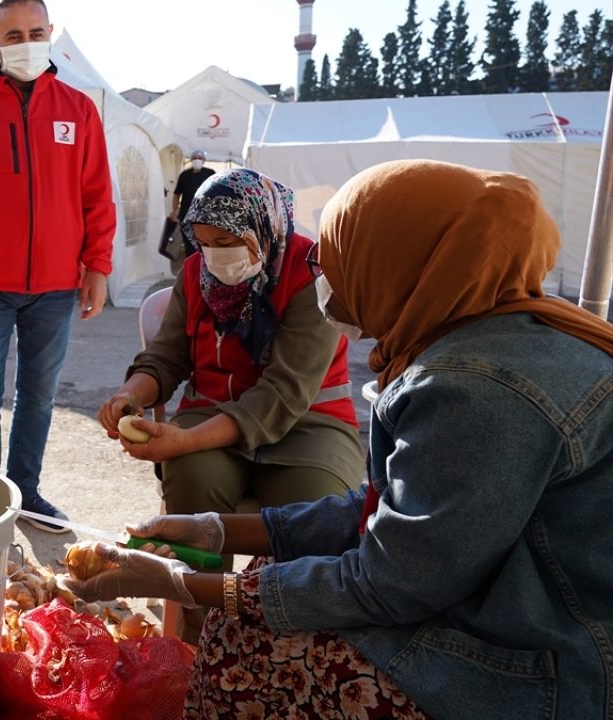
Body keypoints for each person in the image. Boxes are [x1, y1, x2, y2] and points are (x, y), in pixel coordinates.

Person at [66, 159, 613, 719]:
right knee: (228, 545)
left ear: (396, 263)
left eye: (345, 258)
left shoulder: (474, 388)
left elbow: (386, 580)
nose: (331, 277)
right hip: (493, 599)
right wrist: (210, 529)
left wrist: (189, 586)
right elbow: (382, 509)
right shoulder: (487, 338)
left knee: (244, 641)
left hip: (542, 662)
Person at [100, 167, 361, 642]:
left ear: (263, 227)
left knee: (312, 509)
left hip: (308, 425)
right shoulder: (197, 272)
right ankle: (195, 643)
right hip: (210, 413)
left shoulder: (314, 273)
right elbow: (166, 356)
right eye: (203, 241)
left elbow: (283, 393)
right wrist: (130, 394)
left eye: (226, 240)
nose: (215, 254)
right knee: (194, 481)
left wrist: (184, 439)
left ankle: (290, 648)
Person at [0, 0, 116, 532]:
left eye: (35, 31)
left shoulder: (78, 109)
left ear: (51, 33)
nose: (26, 42)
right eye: (12, 35)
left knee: (38, 398)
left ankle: (26, 491)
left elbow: (97, 196)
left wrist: (97, 266)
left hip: (56, 287)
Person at [164, 149, 215, 274]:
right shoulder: (184, 175)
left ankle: (205, 270)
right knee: (189, 245)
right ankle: (190, 271)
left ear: (204, 160)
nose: (197, 159)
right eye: (195, 157)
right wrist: (174, 212)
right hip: (186, 215)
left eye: (200, 157)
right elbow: (176, 195)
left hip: (205, 216)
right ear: (191, 160)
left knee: (204, 244)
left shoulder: (210, 174)